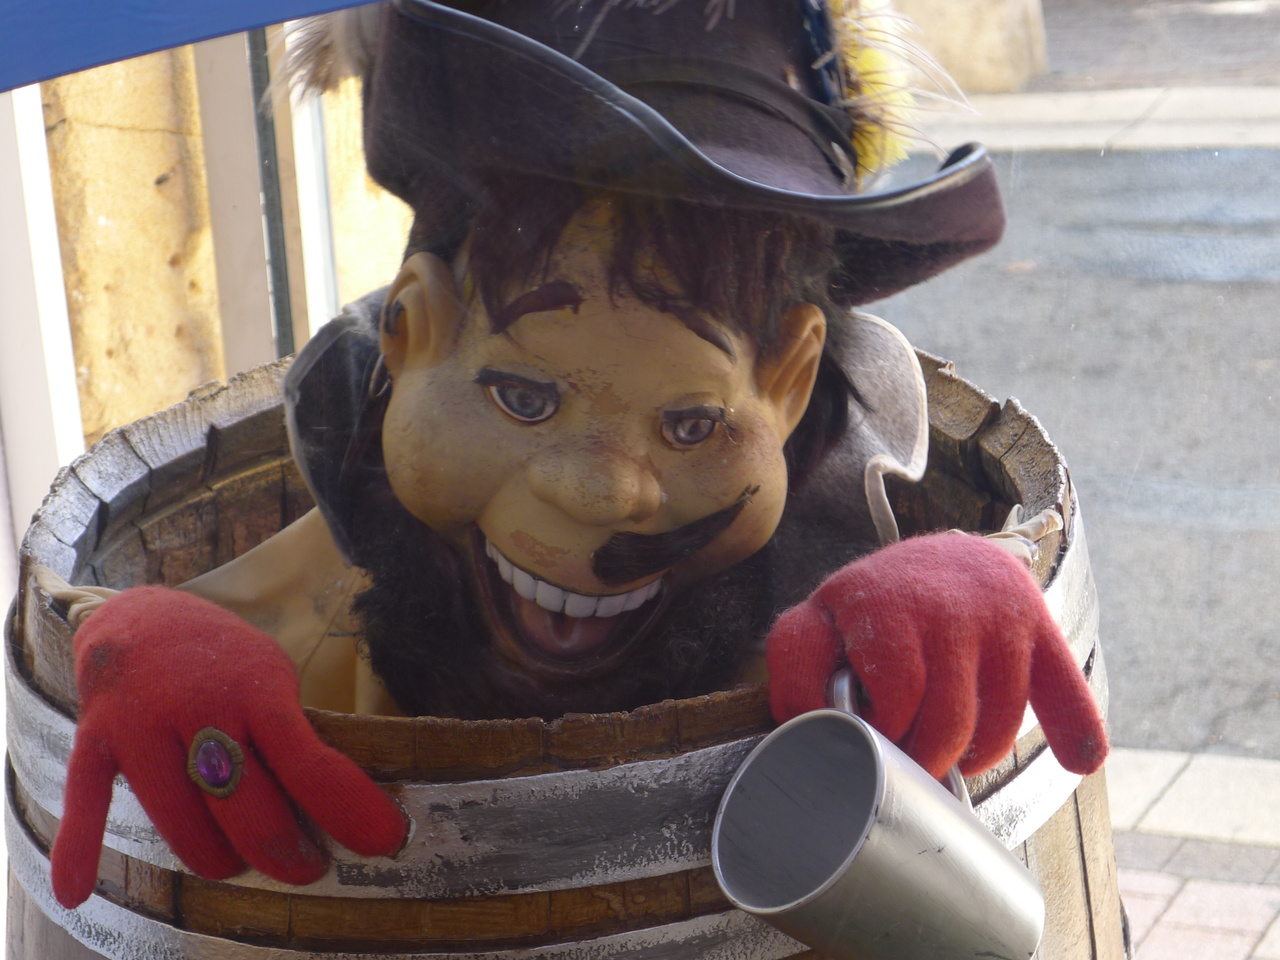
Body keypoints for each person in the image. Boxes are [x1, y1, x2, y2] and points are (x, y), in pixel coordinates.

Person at [46, 0, 1107, 911]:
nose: (600, 493)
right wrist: (129, 635)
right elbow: (241, 610)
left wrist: (962, 582)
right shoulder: (367, 551)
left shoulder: (813, 546)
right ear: (410, 334)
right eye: (523, 396)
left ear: (788, 387)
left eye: (690, 424)